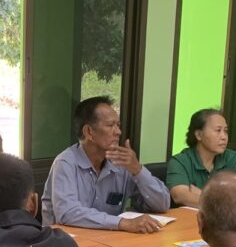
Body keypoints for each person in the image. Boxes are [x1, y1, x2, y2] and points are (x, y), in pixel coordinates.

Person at [41, 96, 170, 233]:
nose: (118, 132)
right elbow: (67, 213)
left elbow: (162, 205)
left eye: (118, 125)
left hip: (108, 240)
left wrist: (138, 169)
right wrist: (123, 223)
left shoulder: (121, 163)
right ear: (89, 132)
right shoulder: (65, 163)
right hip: (66, 241)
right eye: (110, 125)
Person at [166, 109, 236, 207]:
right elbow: (180, 196)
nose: (224, 137)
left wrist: (203, 194)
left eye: (225, 131)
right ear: (199, 135)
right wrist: (223, 201)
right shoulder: (180, 161)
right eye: (218, 130)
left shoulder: (231, 157)